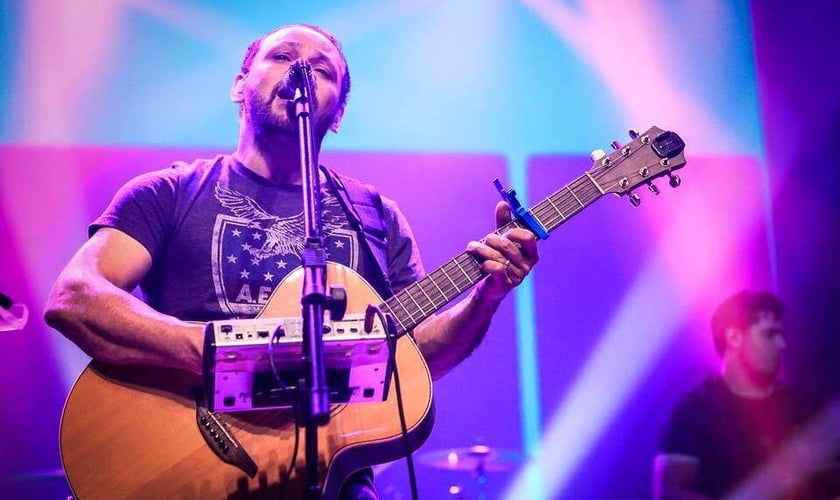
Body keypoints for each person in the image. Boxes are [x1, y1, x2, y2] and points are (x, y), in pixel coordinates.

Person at [44, 24, 539, 499]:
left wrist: (484, 297)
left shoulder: (376, 217)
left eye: (322, 69)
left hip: (331, 477)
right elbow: (75, 298)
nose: (300, 68)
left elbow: (418, 356)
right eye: (282, 56)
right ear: (240, 86)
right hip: (184, 454)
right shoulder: (169, 192)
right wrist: (218, 352)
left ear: (338, 113)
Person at [652, 290, 828, 499]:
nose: (782, 345)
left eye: (782, 335)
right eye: (770, 334)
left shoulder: (803, 404)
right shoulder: (696, 411)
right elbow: (670, 493)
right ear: (734, 337)